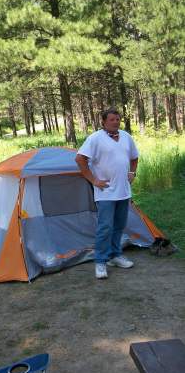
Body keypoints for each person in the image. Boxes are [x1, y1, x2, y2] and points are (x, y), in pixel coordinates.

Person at [75, 107, 139, 279]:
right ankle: (101, 262)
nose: (116, 122)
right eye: (112, 119)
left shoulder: (126, 136)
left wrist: (132, 173)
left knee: (119, 226)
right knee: (105, 227)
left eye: (117, 119)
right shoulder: (95, 138)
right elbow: (80, 159)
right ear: (103, 122)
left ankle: (115, 256)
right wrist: (93, 180)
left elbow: (134, 157)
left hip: (123, 191)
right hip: (106, 192)